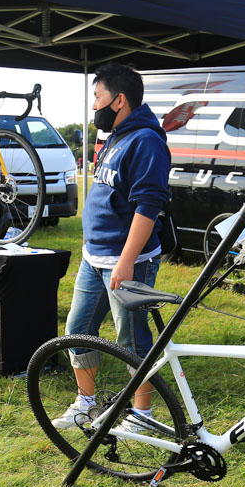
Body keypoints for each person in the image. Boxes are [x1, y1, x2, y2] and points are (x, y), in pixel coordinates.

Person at [52, 64, 172, 435]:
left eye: (98, 98)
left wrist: (126, 263)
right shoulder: (118, 135)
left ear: (119, 100)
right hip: (95, 258)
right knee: (78, 329)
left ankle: (143, 416)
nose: (93, 106)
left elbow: (148, 207)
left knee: (132, 339)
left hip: (125, 262)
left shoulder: (146, 141)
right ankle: (85, 405)